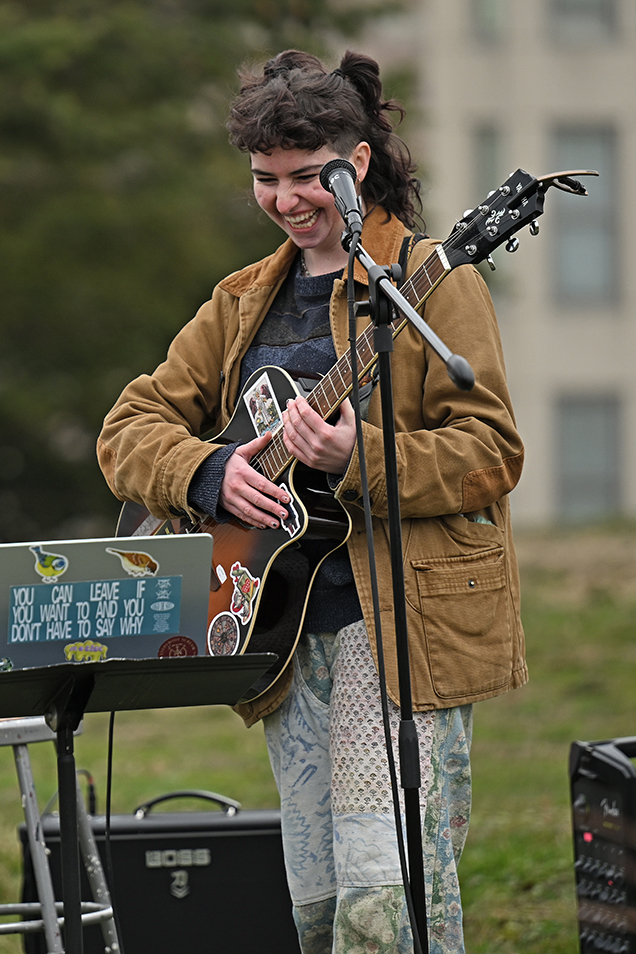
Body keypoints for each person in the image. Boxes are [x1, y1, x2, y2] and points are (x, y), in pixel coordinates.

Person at [97, 50, 525, 953]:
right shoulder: (243, 299)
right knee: (318, 904)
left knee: (386, 895)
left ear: (355, 164)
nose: (286, 200)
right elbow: (129, 426)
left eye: (304, 178)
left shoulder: (438, 283)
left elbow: (491, 452)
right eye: (264, 179)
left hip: (404, 627)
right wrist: (208, 477)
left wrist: (355, 455)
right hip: (284, 631)